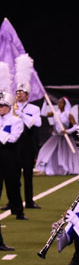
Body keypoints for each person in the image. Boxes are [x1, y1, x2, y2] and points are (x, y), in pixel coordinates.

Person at [14, 83, 42, 208]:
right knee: (13, 175)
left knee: (28, 174)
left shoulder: (33, 108)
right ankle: (13, 201)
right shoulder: (10, 107)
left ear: (27, 95)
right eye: (17, 92)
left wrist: (21, 114)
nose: (19, 94)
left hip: (28, 145)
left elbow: (37, 123)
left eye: (21, 92)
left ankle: (29, 201)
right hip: (14, 145)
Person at [36, 97, 79, 176]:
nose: (59, 104)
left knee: (65, 155)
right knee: (45, 150)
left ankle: (67, 169)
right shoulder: (55, 113)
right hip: (56, 137)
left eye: (61, 103)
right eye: (58, 102)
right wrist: (45, 103)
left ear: (65, 104)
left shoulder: (68, 114)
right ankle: (48, 168)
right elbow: (43, 114)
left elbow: (75, 127)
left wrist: (67, 131)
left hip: (65, 138)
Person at [0, 91, 26, 220]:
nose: (0, 108)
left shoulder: (16, 120)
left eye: (2, 105)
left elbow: (12, 139)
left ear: (9, 106)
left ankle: (19, 211)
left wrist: (3, 135)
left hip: (11, 157)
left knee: (13, 185)